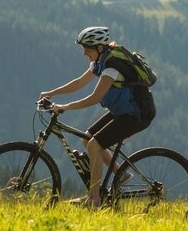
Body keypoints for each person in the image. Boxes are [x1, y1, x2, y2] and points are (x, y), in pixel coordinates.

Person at [39, 26, 156, 207]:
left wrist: (64, 107)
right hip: (122, 111)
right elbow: (79, 82)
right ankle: (120, 174)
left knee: (94, 144)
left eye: (87, 48)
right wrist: (51, 93)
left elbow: (95, 98)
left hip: (137, 114)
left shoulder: (111, 67)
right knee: (88, 139)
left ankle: (94, 199)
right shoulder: (100, 61)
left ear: (99, 48)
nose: (84, 52)